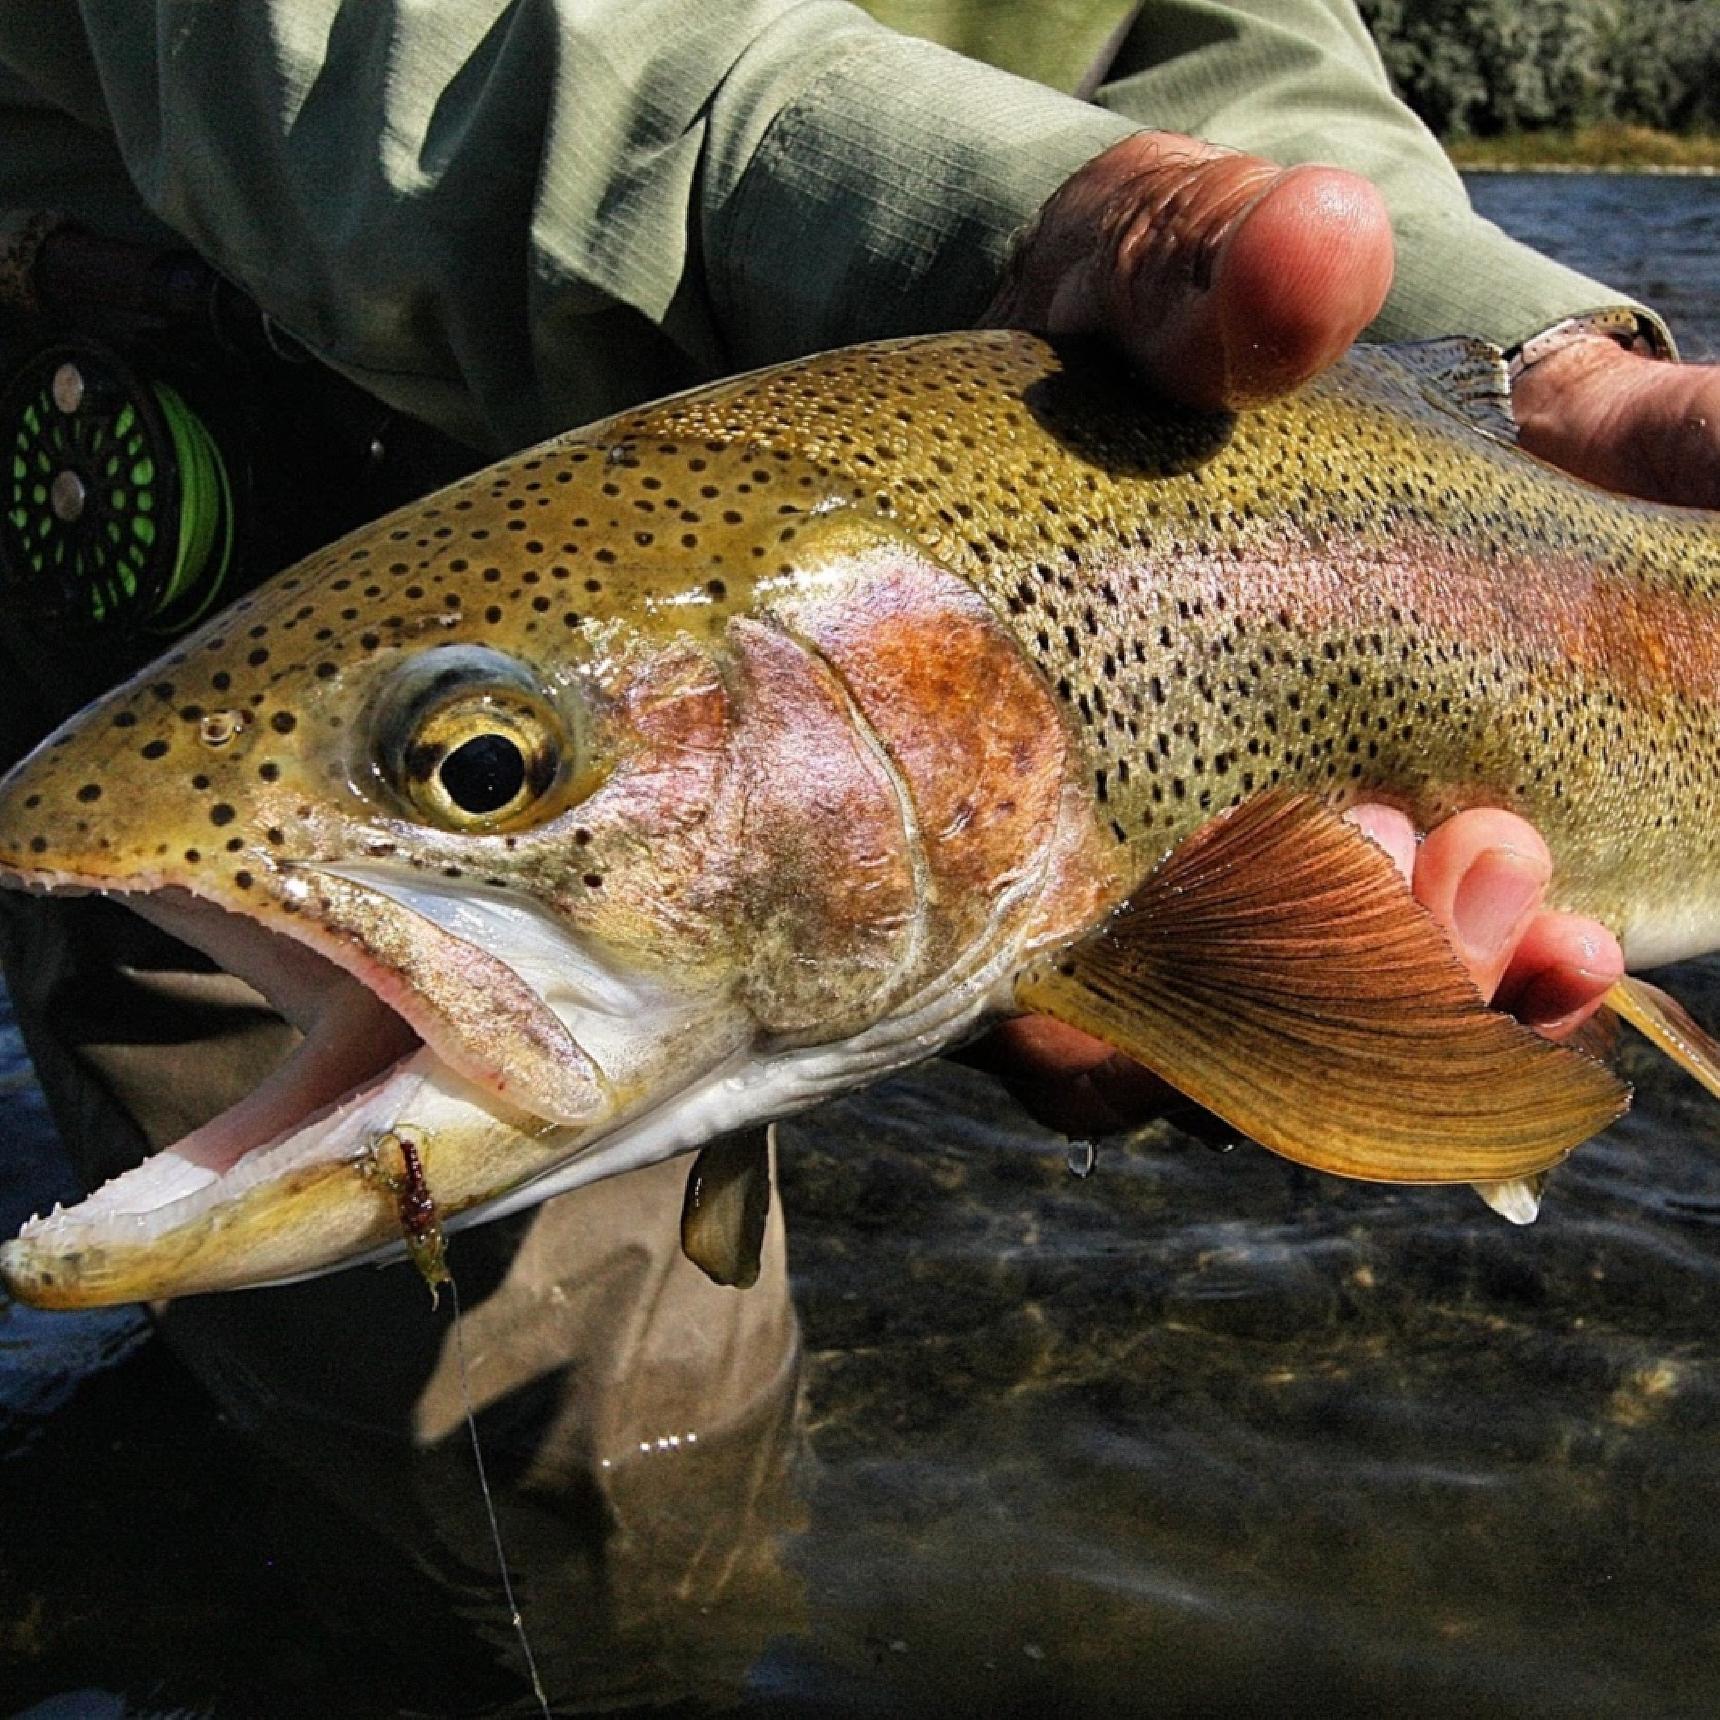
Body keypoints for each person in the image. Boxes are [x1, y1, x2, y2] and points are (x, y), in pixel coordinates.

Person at [0, 0, 1713, 1701]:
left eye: (481, 772)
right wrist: (892, 214)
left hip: (962, 417)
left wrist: (1506, 343)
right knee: (559, 1518)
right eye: (484, 769)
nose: (485, 777)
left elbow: (1231, 47)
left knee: (605, 1553)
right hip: (268, 438)